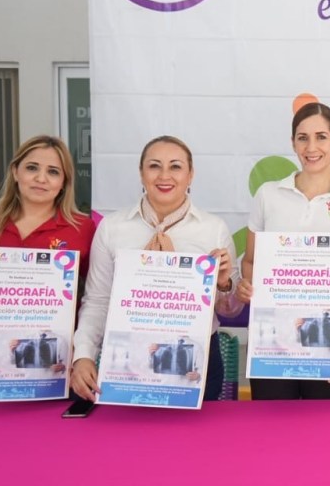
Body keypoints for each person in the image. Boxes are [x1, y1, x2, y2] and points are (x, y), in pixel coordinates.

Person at [70, 135, 240, 402]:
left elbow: (229, 309)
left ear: (190, 175)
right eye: (154, 166)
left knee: (195, 431)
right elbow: (98, 301)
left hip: (196, 359)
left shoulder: (213, 229)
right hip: (128, 359)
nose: (164, 176)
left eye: (175, 166)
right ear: (141, 173)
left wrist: (224, 284)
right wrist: (83, 355)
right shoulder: (112, 228)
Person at [235, 103, 330, 399]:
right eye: (303, 138)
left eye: (321, 137)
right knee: (270, 422)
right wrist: (248, 285)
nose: (311, 147)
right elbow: (250, 262)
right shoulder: (268, 195)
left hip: (329, 342)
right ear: (293, 143)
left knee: (322, 424)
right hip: (273, 344)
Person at [0, 135, 95, 299]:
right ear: (15, 172)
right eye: (32, 168)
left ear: (64, 182)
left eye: (53, 172)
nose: (41, 179)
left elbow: (94, 294)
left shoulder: (83, 228)